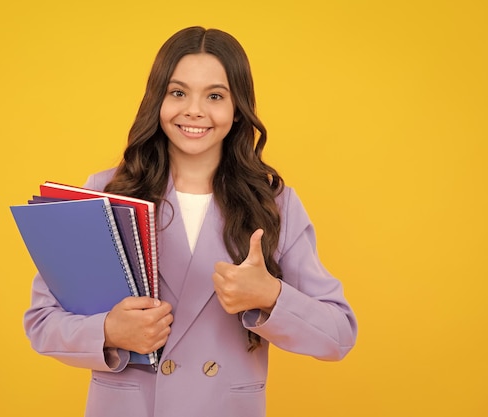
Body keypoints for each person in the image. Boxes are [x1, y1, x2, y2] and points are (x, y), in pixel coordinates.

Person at [24, 26, 357, 417]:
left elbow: (339, 335)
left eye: (215, 96)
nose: (194, 110)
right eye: (178, 92)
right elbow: (42, 321)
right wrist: (109, 332)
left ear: (237, 110)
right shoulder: (105, 193)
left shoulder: (275, 204)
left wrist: (270, 295)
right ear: (157, 100)